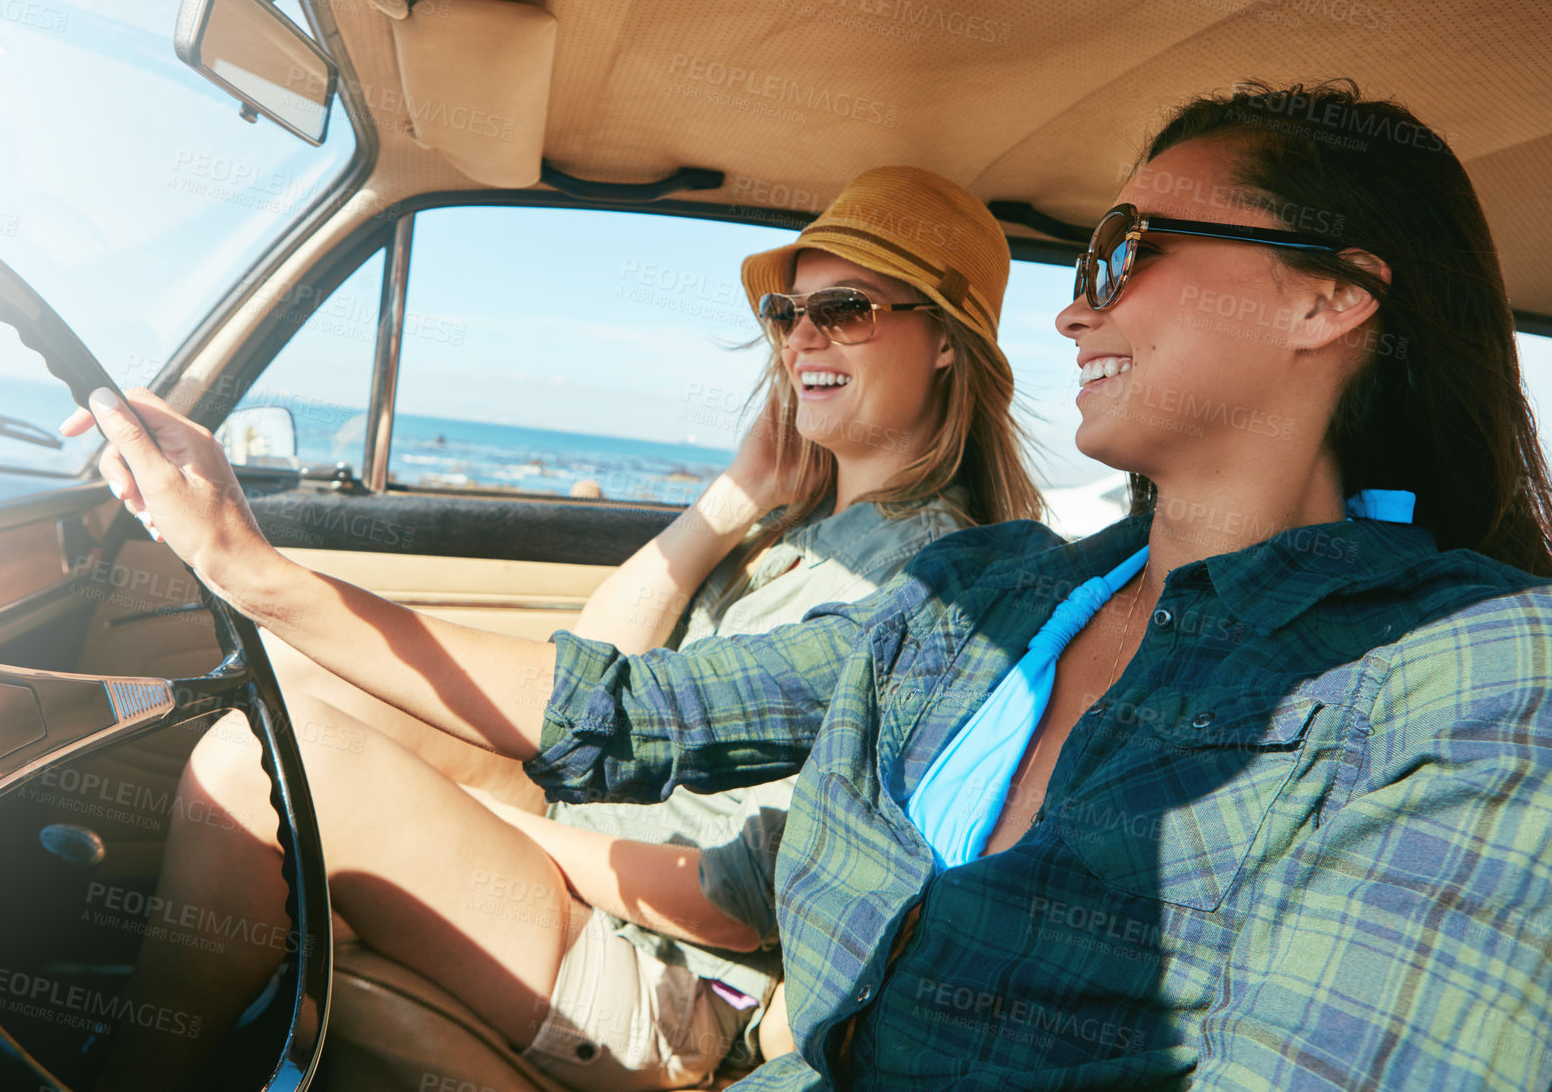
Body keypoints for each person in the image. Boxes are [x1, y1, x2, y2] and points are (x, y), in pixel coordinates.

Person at [74, 79, 1552, 1089]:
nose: (1077, 299)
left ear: (1328, 294)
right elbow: (623, 709)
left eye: (1130, 247)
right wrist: (240, 561)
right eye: (790, 312)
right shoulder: (987, 591)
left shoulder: (1470, 671)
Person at [79, 166, 1042, 1091]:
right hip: (606, 842)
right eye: (788, 314)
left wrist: (491, 826)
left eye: (846, 311)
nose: (801, 341)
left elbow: (738, 903)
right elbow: (603, 664)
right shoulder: (805, 531)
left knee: (268, 768)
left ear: (948, 340)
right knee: (300, 685)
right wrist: (738, 494)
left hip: (679, 973)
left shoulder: (935, 587)